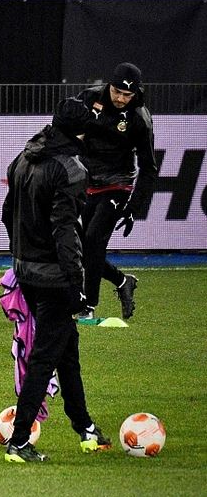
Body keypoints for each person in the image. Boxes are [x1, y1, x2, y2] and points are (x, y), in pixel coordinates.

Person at [1, 100, 112, 463]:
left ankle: (85, 428)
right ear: (81, 132)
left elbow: (7, 213)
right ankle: (19, 441)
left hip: (26, 272)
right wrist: (77, 285)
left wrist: (22, 254)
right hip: (54, 278)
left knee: (66, 351)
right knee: (45, 357)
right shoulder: (71, 169)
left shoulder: (23, 157)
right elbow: (66, 231)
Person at [66, 63, 158, 320]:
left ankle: (87, 307)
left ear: (135, 93)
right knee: (84, 249)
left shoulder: (139, 118)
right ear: (109, 85)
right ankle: (122, 280)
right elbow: (68, 126)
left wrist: (133, 208)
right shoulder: (89, 98)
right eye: (117, 92)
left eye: (127, 95)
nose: (120, 98)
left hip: (118, 184)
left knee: (94, 239)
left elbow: (149, 168)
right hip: (87, 182)